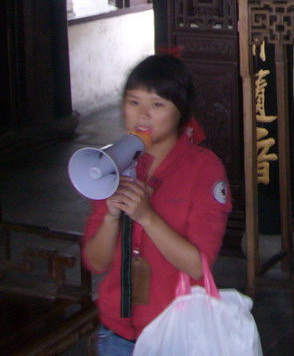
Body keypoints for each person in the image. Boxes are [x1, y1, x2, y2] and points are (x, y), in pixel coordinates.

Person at [82, 54, 232, 355]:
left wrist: (146, 217)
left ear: (181, 113)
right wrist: (112, 218)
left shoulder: (204, 170)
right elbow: (95, 263)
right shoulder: (113, 164)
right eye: (133, 102)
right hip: (116, 332)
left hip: (175, 333)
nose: (143, 115)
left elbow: (197, 265)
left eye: (157, 104)